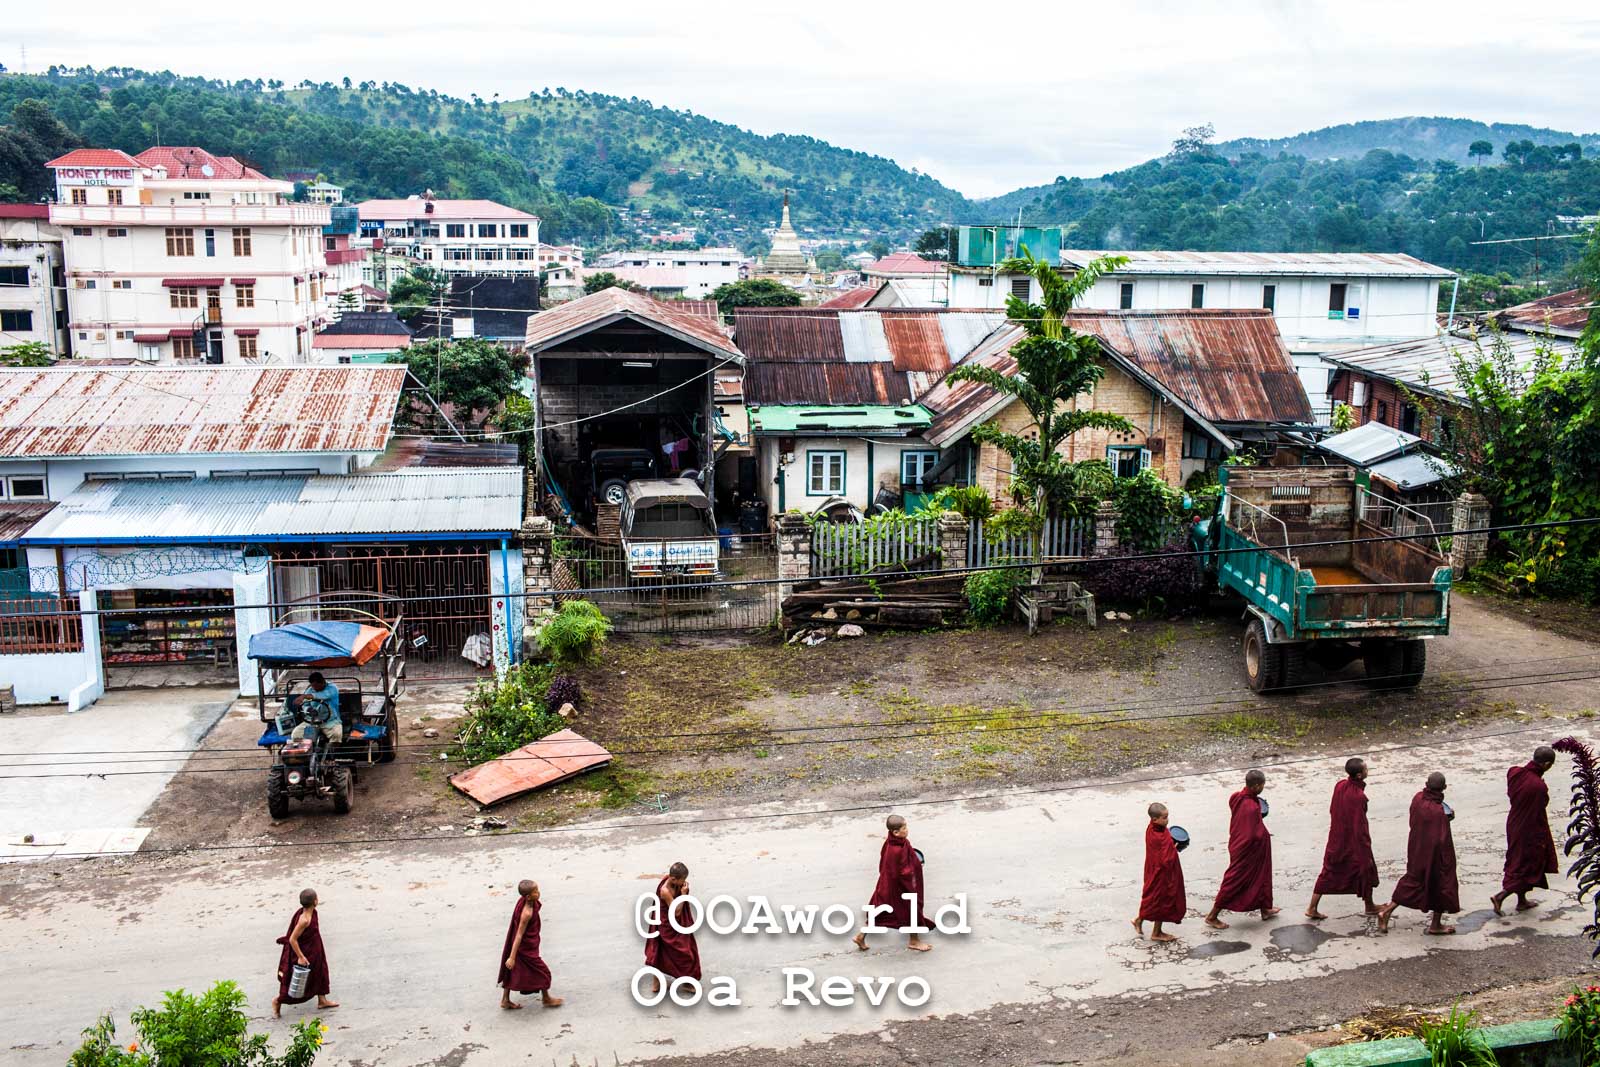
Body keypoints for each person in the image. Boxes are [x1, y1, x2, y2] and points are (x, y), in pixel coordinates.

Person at [1378, 772, 1460, 935]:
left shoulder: (1418, 798)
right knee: (1442, 885)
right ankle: (1435, 925)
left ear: (1426, 784)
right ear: (1444, 788)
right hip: (1434, 856)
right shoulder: (1439, 813)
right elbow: (1440, 840)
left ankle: (1386, 911)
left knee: (1413, 881)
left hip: (1416, 849)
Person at [1308, 757, 1381, 920]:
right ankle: (1312, 908)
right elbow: (1359, 825)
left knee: (1329, 871)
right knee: (1364, 868)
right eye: (1365, 769)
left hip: (1336, 837)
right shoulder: (1358, 796)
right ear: (1359, 776)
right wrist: (1365, 846)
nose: (1367, 770)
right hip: (1352, 842)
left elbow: (1333, 809)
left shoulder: (1340, 785)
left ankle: (1369, 905)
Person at [1205, 769, 1279, 929]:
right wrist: (1262, 837)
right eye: (1262, 785)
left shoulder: (1236, 797)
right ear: (1256, 786)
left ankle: (1265, 909)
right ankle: (1212, 916)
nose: (1263, 788)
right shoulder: (1251, 807)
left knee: (1261, 876)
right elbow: (1252, 834)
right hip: (1247, 851)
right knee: (1233, 881)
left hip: (1238, 843)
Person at [1493, 746, 1560, 915]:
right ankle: (1501, 896)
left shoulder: (1515, 772)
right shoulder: (1538, 786)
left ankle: (1521, 901)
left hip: (1514, 822)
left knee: (1519, 860)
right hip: (1529, 829)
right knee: (1525, 864)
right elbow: (1541, 806)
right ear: (1546, 764)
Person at [854, 814, 932, 952]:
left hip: (887, 885)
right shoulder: (896, 849)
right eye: (904, 827)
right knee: (911, 910)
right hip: (898, 888)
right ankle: (914, 941)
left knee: (880, 912)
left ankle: (860, 936)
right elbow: (899, 873)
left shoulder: (894, 841)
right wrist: (913, 869)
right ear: (895, 832)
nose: (907, 829)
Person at [273, 888, 338, 1017]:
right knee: (301, 982)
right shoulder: (304, 920)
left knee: (321, 973)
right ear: (316, 901)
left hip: (315, 950)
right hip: (305, 953)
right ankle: (278, 1001)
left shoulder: (312, 912)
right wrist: (301, 957)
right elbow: (292, 939)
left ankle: (322, 1000)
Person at [499, 880, 562, 1010]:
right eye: (535, 892)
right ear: (528, 896)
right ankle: (546, 998)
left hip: (527, 946)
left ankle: (505, 1000)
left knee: (512, 971)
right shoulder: (526, 913)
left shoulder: (524, 901)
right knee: (543, 972)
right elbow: (519, 935)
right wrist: (512, 957)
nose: (539, 893)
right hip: (524, 948)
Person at [642, 862, 700, 994]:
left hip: (670, 923)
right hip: (667, 926)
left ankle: (657, 984)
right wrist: (684, 895)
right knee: (685, 952)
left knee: (659, 952)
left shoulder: (672, 880)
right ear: (673, 878)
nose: (684, 883)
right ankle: (687, 983)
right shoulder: (665, 891)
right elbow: (676, 912)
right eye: (682, 881)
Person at [1133, 802, 1186, 942]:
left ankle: (1139, 920)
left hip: (1153, 869)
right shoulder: (1159, 836)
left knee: (1154, 899)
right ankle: (1156, 932)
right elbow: (1166, 859)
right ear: (1154, 819)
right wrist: (1173, 847)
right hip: (1161, 873)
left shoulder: (1152, 828)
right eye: (1164, 818)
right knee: (1160, 900)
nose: (1167, 820)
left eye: (1167, 817)